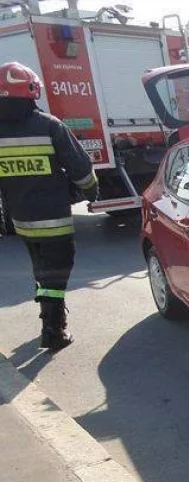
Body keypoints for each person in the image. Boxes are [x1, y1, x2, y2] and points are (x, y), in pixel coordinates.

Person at [0, 62, 98, 351]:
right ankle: (53, 331)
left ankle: (48, 315)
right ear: (31, 91)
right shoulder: (50, 126)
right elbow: (80, 168)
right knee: (56, 272)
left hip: (22, 222)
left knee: (43, 271)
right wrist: (91, 190)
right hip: (54, 220)